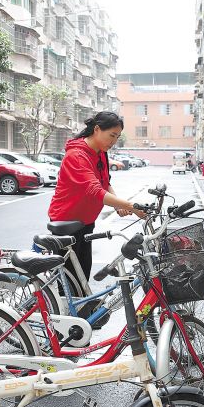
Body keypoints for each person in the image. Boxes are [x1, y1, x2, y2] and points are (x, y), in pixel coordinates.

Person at [48, 111, 146, 281]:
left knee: (83, 275)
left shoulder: (100, 152)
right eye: (112, 135)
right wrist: (131, 206)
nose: (114, 141)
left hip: (85, 222)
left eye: (117, 137)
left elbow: (105, 182)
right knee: (70, 282)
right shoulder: (76, 156)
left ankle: (82, 307)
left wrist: (118, 205)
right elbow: (94, 191)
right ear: (97, 129)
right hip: (66, 222)